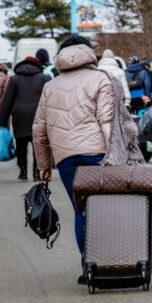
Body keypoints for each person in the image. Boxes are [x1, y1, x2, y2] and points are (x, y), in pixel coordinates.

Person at [32, 35, 116, 274]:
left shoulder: (50, 86)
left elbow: (38, 129)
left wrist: (44, 164)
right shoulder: (101, 79)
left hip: (66, 158)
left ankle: (88, 265)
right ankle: (110, 260)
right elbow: (106, 120)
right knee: (103, 209)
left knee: (81, 210)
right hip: (98, 154)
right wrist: (115, 156)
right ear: (88, 52)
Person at [0, 56, 50, 181]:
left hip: (19, 116)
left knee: (21, 144)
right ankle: (37, 172)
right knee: (38, 145)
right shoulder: (44, 78)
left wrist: (2, 122)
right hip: (38, 116)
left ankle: (23, 171)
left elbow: (7, 101)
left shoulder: (15, 79)